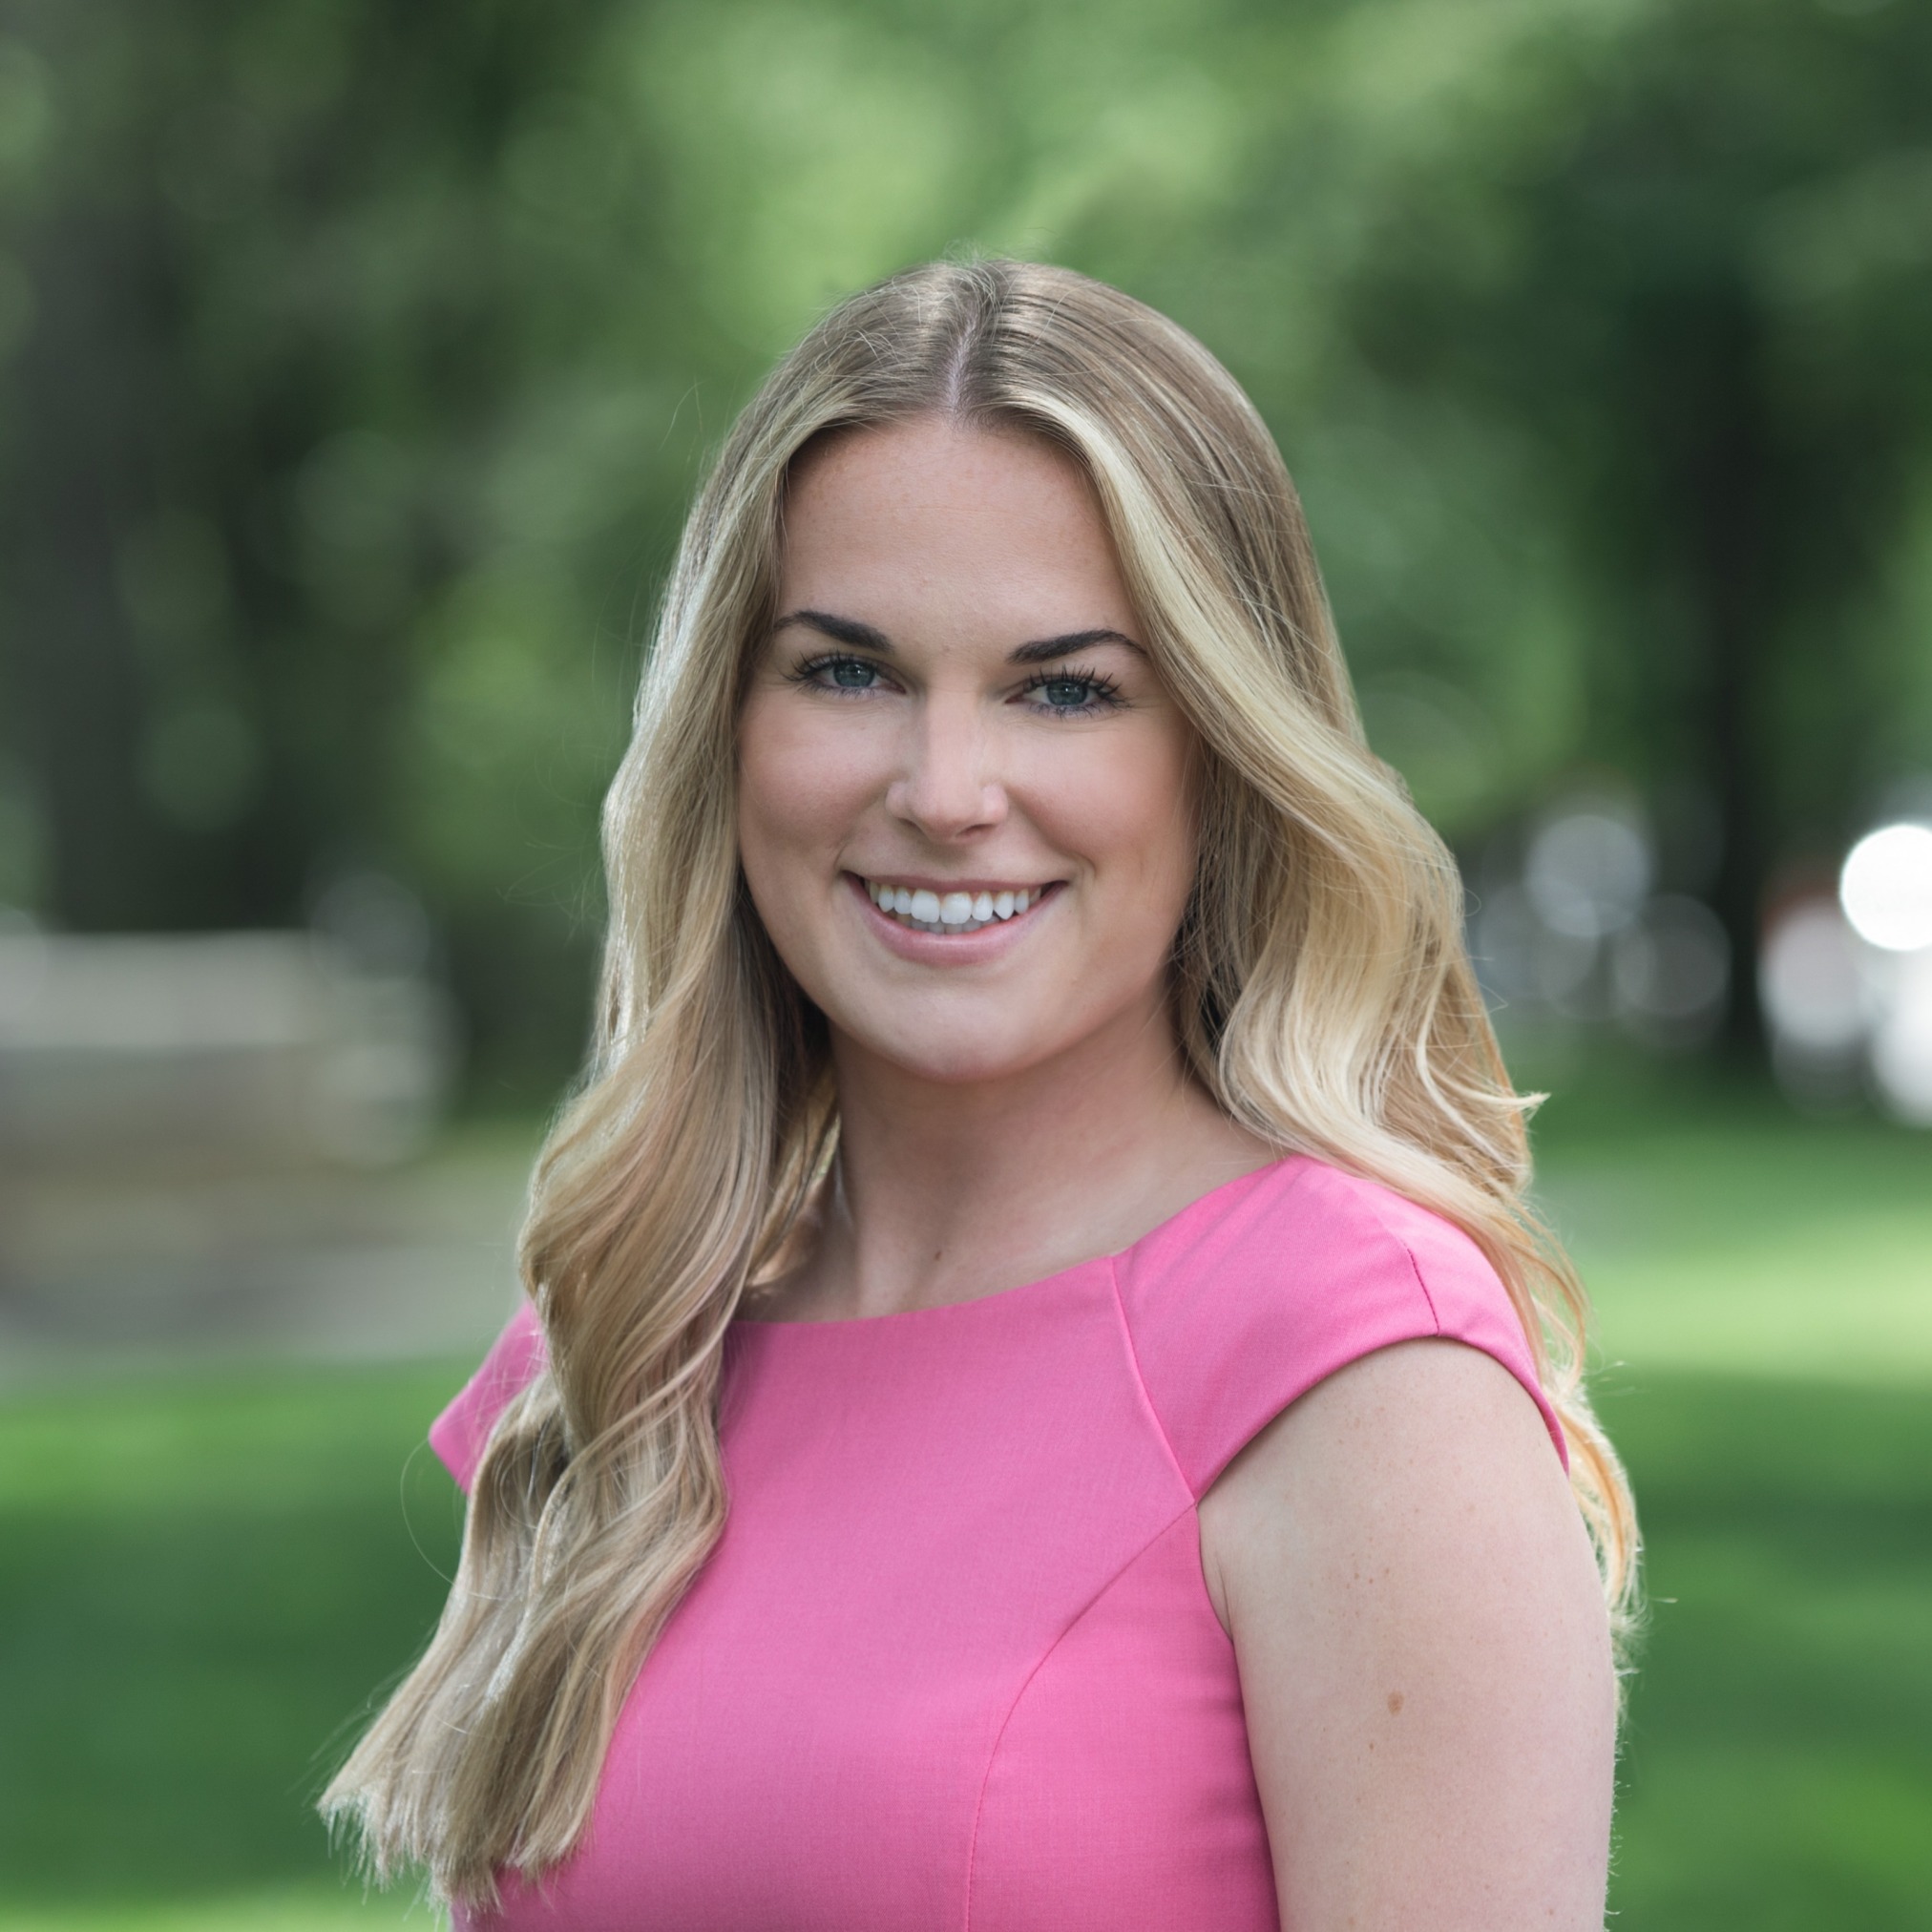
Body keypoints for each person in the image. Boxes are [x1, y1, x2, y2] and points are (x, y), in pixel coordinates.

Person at [325, 258, 1635, 1931]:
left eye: (1065, 689)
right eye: (847, 672)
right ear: (724, 729)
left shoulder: (1354, 1364)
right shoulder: (635, 1329)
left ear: (1220, 756)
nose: (946, 793)